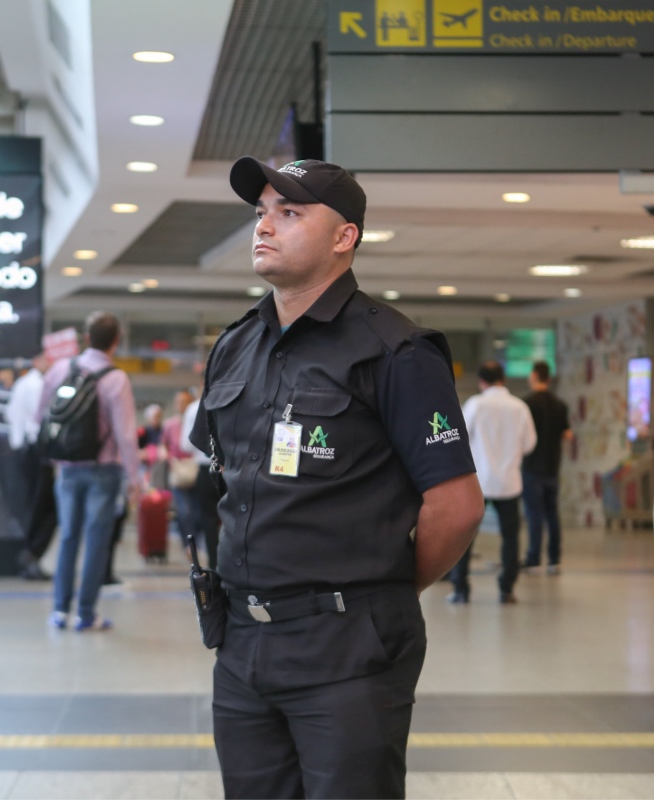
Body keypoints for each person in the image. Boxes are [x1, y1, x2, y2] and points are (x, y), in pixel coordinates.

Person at [189, 156, 485, 800]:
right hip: (242, 644)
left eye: (290, 213)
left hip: (349, 648)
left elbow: (456, 504)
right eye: (262, 211)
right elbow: (224, 481)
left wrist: (381, 589)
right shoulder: (235, 346)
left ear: (344, 237)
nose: (265, 226)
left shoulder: (395, 351)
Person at [36, 312, 140, 631]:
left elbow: (41, 414)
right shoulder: (116, 378)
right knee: (96, 541)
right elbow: (124, 434)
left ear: (85, 337)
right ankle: (86, 613)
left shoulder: (59, 369)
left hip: (66, 469)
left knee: (67, 537)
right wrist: (134, 478)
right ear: (116, 341)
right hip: (103, 470)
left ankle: (58, 611)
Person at [448, 361, 536, 605]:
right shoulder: (520, 407)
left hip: (479, 482)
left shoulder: (476, 404)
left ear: (481, 381)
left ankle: (461, 589)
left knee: (466, 536)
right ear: (503, 380)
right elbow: (529, 444)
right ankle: (507, 589)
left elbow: (460, 437)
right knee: (510, 537)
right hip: (509, 483)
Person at [4, 353, 55, 580]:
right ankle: (31, 555)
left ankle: (31, 555)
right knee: (43, 507)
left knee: (36, 506)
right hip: (36, 450)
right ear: (37, 361)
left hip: (25, 449)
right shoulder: (36, 385)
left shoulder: (24, 384)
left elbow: (10, 414)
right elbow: (39, 418)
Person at [521, 361, 572, 574]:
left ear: (534, 376)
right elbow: (567, 435)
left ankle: (533, 558)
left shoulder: (527, 404)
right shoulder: (560, 404)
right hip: (553, 466)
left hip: (532, 466)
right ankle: (554, 558)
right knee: (552, 513)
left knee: (534, 514)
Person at [181, 389, 219, 569]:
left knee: (209, 520)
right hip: (231, 470)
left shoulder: (194, 408)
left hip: (205, 469)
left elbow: (186, 444)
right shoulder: (235, 401)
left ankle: (214, 563)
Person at [162, 391, 198, 551]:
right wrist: (169, 458)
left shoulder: (197, 421)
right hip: (178, 470)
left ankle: (196, 542)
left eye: (185, 401)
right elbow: (163, 445)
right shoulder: (170, 424)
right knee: (184, 511)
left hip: (196, 469)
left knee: (198, 512)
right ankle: (188, 545)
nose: (182, 404)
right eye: (179, 401)